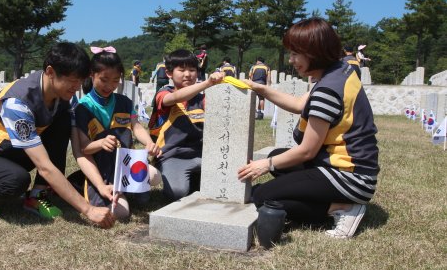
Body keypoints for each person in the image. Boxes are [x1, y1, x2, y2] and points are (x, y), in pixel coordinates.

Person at [238, 18, 379, 239]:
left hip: (349, 176)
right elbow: (300, 104)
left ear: (315, 52)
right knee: (279, 158)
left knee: (263, 196)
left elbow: (307, 151)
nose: (291, 60)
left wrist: (265, 164)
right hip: (350, 167)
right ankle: (331, 200)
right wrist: (260, 89)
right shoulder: (339, 71)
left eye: (296, 54)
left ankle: (340, 208)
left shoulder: (328, 91)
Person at [0, 43, 115, 228]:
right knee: (16, 180)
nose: (77, 87)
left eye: (80, 81)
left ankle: (37, 196)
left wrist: (100, 184)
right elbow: (45, 167)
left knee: (62, 121)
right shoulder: (17, 102)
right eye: (72, 80)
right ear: (50, 72)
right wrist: (88, 210)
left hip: (15, 152)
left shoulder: (63, 98)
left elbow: (78, 151)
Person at [71, 47, 162, 219]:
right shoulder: (82, 108)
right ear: (92, 75)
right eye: (104, 80)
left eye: (115, 81)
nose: (109, 86)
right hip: (102, 171)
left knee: (155, 175)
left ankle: (124, 190)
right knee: (121, 213)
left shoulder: (124, 102)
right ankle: (91, 186)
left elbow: (136, 126)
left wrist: (148, 142)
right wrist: (100, 143)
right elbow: (84, 148)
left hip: (125, 165)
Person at [148, 49, 224, 201]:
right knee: (177, 193)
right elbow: (175, 97)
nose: (188, 74)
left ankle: (197, 180)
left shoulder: (202, 99)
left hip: (201, 156)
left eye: (192, 69)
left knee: (226, 182)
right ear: (169, 73)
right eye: (181, 70)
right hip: (172, 156)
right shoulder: (163, 94)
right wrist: (208, 83)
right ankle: (190, 181)